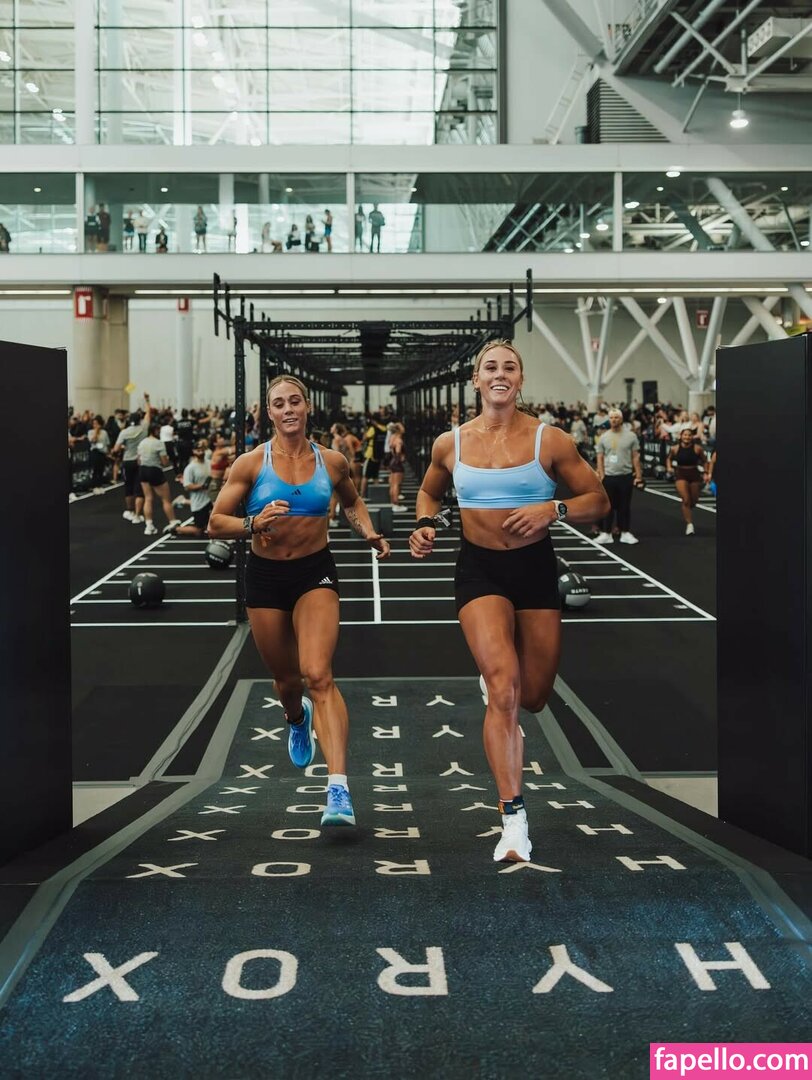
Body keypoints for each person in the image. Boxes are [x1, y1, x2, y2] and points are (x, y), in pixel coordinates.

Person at [409, 340, 609, 864]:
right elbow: (429, 492)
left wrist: (553, 509)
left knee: (534, 696)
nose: (500, 374)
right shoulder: (451, 443)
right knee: (504, 688)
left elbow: (598, 500)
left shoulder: (550, 440)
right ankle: (513, 819)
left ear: (520, 380)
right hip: (479, 572)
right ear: (476, 380)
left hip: (535, 571)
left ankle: (505, 684)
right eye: (490, 367)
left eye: (510, 367)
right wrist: (425, 524)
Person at [208, 374, 390, 827]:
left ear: (307, 407)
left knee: (318, 674)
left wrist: (367, 531)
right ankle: (295, 716)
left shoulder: (332, 461)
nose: (288, 409)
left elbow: (352, 502)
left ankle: (339, 789)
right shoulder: (251, 464)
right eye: (279, 404)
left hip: (315, 573)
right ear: (268, 413)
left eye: (295, 401)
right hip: (266, 578)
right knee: (287, 681)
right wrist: (253, 523)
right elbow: (216, 522)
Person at [595, 408, 643, 545]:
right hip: (609, 476)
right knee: (607, 506)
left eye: (616, 417)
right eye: (611, 418)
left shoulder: (631, 436)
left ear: (621, 419)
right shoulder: (604, 437)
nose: (614, 420)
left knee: (624, 506)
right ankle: (606, 533)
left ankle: (625, 533)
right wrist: (601, 474)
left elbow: (635, 457)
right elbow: (600, 457)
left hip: (625, 476)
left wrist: (638, 476)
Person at [112, 396, 151, 524]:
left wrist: (123, 447)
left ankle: (130, 511)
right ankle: (138, 515)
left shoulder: (124, 432)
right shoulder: (144, 428)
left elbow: (116, 449)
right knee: (139, 488)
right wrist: (147, 400)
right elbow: (149, 413)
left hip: (127, 461)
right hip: (140, 461)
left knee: (128, 486)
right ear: (139, 420)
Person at [138, 422, 180, 536]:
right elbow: (165, 462)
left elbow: (139, 459)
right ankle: (172, 521)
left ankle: (149, 526)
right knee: (166, 499)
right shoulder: (159, 443)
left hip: (143, 470)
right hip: (154, 470)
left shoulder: (142, 442)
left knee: (148, 498)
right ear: (155, 431)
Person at [667, 427, 706, 536]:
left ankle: (687, 509)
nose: (687, 437)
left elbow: (705, 461)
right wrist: (669, 467)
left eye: (689, 435)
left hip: (694, 473)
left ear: (692, 437)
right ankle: (689, 524)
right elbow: (669, 458)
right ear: (681, 436)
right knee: (686, 499)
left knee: (693, 501)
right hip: (681, 473)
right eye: (685, 435)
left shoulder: (697, 448)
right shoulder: (675, 448)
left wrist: (706, 472)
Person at [174, 440, 212, 537]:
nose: (200, 452)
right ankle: (176, 529)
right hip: (199, 503)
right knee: (199, 531)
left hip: (210, 500)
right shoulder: (190, 468)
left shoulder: (209, 463)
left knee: (212, 525)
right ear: (193, 451)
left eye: (202, 450)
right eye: (198, 450)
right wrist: (202, 486)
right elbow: (187, 486)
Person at [360, 411, 388, 498]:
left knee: (365, 476)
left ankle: (362, 495)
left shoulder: (373, 428)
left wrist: (366, 430)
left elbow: (364, 438)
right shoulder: (384, 428)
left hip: (371, 454)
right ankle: (377, 495)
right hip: (379, 454)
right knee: (376, 475)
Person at [88, 414, 111, 493]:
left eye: (97, 424)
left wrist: (108, 452)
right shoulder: (90, 432)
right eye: (94, 424)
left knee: (101, 469)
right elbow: (93, 440)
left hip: (102, 452)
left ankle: (100, 485)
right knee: (95, 469)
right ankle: (94, 486)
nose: (95, 425)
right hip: (95, 452)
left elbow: (107, 443)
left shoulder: (104, 432)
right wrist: (96, 432)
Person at [388, 422, 407, 513]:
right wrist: (400, 457)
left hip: (393, 461)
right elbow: (398, 450)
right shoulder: (398, 440)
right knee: (396, 484)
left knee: (392, 484)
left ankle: (393, 503)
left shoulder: (393, 437)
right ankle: (396, 504)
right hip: (397, 462)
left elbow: (391, 448)